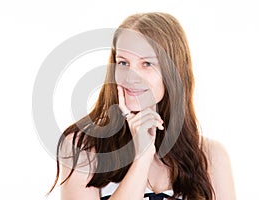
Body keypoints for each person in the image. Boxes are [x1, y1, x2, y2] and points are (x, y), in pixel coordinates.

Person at [49, 12, 236, 200]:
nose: (131, 77)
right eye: (123, 62)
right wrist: (142, 157)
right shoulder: (82, 148)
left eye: (146, 63)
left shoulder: (211, 156)